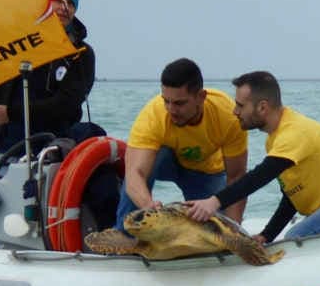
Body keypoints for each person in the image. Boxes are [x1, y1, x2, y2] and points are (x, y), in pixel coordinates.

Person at [187, 71, 320, 243]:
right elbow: (292, 195)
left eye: (240, 105)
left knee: (295, 238)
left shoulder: (293, 133)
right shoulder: (276, 138)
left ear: (262, 107)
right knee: (293, 238)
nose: (235, 111)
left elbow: (259, 177)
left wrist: (214, 202)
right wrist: (266, 235)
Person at [95, 58, 248, 243]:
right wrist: (148, 207)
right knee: (146, 160)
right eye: (166, 101)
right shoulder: (153, 116)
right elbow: (135, 173)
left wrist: (233, 232)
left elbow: (236, 177)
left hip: (206, 172)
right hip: (165, 163)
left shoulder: (228, 115)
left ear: (201, 97)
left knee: (217, 232)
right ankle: (125, 237)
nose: (171, 109)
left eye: (179, 103)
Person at [0, 0, 95, 154]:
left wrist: (11, 113)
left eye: (71, 3)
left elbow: (66, 104)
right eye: (58, 0)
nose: (64, 7)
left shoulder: (82, 54)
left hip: (54, 148)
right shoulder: (19, 43)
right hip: (9, 146)